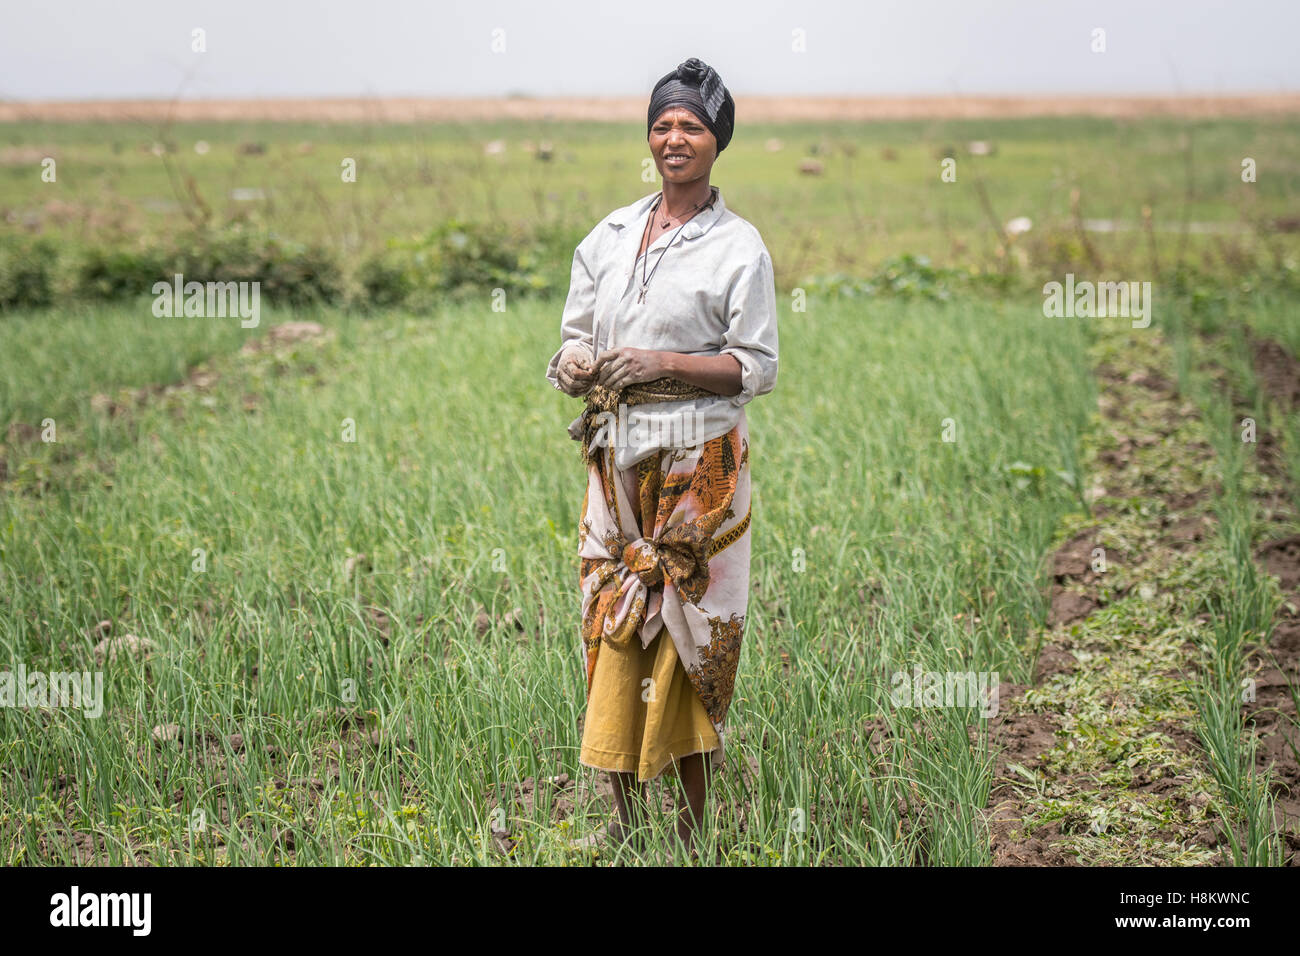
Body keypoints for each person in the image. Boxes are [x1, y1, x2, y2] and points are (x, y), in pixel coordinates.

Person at [545, 56, 779, 859]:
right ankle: (626, 824)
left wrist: (664, 365)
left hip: (698, 469)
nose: (674, 138)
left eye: (692, 126)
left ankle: (692, 832)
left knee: (685, 636)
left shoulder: (738, 248)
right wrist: (578, 364)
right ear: (649, 135)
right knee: (613, 623)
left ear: (718, 143)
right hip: (616, 465)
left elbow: (757, 365)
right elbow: (576, 338)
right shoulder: (608, 235)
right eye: (663, 123)